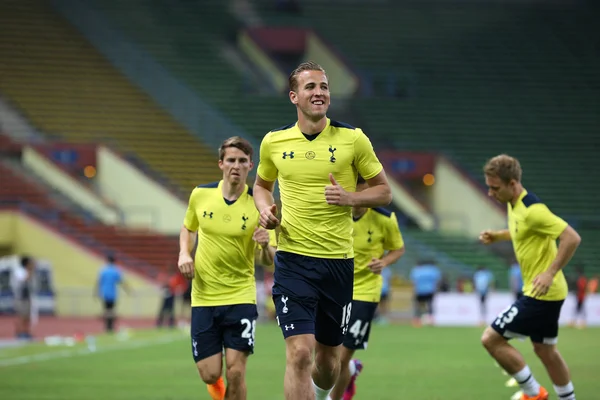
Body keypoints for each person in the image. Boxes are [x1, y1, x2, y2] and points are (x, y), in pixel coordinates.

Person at [253, 61, 392, 400]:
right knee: (299, 353)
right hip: (293, 261)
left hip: (337, 264)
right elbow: (260, 186)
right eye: (311, 87)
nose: (319, 93)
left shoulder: (353, 140)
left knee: (329, 366)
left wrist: (350, 197)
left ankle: (332, 384)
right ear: (294, 96)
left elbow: (384, 192)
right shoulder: (274, 142)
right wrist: (264, 211)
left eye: (324, 87)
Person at [178, 136, 277, 400]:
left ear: (251, 165)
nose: (236, 165)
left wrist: (266, 244)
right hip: (204, 297)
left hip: (240, 296)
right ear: (221, 163)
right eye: (231, 160)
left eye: (242, 161)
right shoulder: (201, 195)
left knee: (236, 371)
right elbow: (188, 227)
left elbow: (269, 260)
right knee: (210, 373)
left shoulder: (260, 205)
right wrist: (183, 253)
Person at [479, 154, 581, 400]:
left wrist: (549, 272)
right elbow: (521, 231)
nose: (491, 193)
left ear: (512, 184)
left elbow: (572, 237)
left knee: (491, 339)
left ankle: (533, 393)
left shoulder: (534, 211)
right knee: (546, 351)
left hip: (541, 293)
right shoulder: (515, 205)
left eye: (495, 188)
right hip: (548, 293)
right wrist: (498, 235)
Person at [329, 175, 405, 400]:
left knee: (341, 357)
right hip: (334, 291)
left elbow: (398, 249)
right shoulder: (334, 215)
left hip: (366, 292)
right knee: (326, 355)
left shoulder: (384, 218)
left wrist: (383, 262)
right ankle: (352, 371)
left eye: (362, 190)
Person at [95, 254, 130, 333]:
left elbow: (99, 282)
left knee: (106, 310)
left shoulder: (103, 270)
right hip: (113, 293)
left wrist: (97, 292)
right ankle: (110, 326)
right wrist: (128, 290)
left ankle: (107, 326)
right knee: (112, 310)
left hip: (105, 292)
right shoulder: (116, 270)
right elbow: (121, 281)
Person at [409, 260, 441, 326]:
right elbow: (437, 281)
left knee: (418, 306)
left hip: (419, 290)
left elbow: (413, 282)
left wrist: (413, 291)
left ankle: (417, 320)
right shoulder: (433, 270)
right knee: (430, 305)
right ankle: (431, 320)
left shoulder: (416, 270)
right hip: (430, 290)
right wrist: (436, 290)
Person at [12, 255, 35, 339]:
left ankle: (26, 332)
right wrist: (29, 271)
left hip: (26, 297)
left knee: (27, 316)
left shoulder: (27, 271)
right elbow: (25, 279)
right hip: (20, 297)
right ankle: (20, 332)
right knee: (21, 316)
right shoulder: (19, 271)